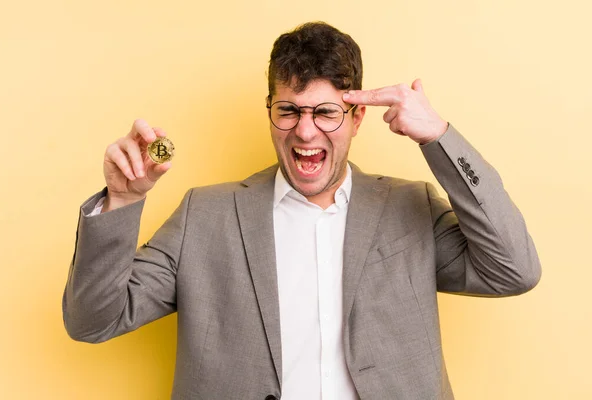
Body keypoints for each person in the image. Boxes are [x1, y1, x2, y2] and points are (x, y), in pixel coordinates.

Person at [62, 22, 541, 400]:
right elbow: (93, 321)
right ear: (270, 109)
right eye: (288, 110)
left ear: (357, 118)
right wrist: (123, 200)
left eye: (326, 112)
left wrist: (438, 137)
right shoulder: (204, 215)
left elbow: (514, 271)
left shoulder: (409, 206)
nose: (305, 132)